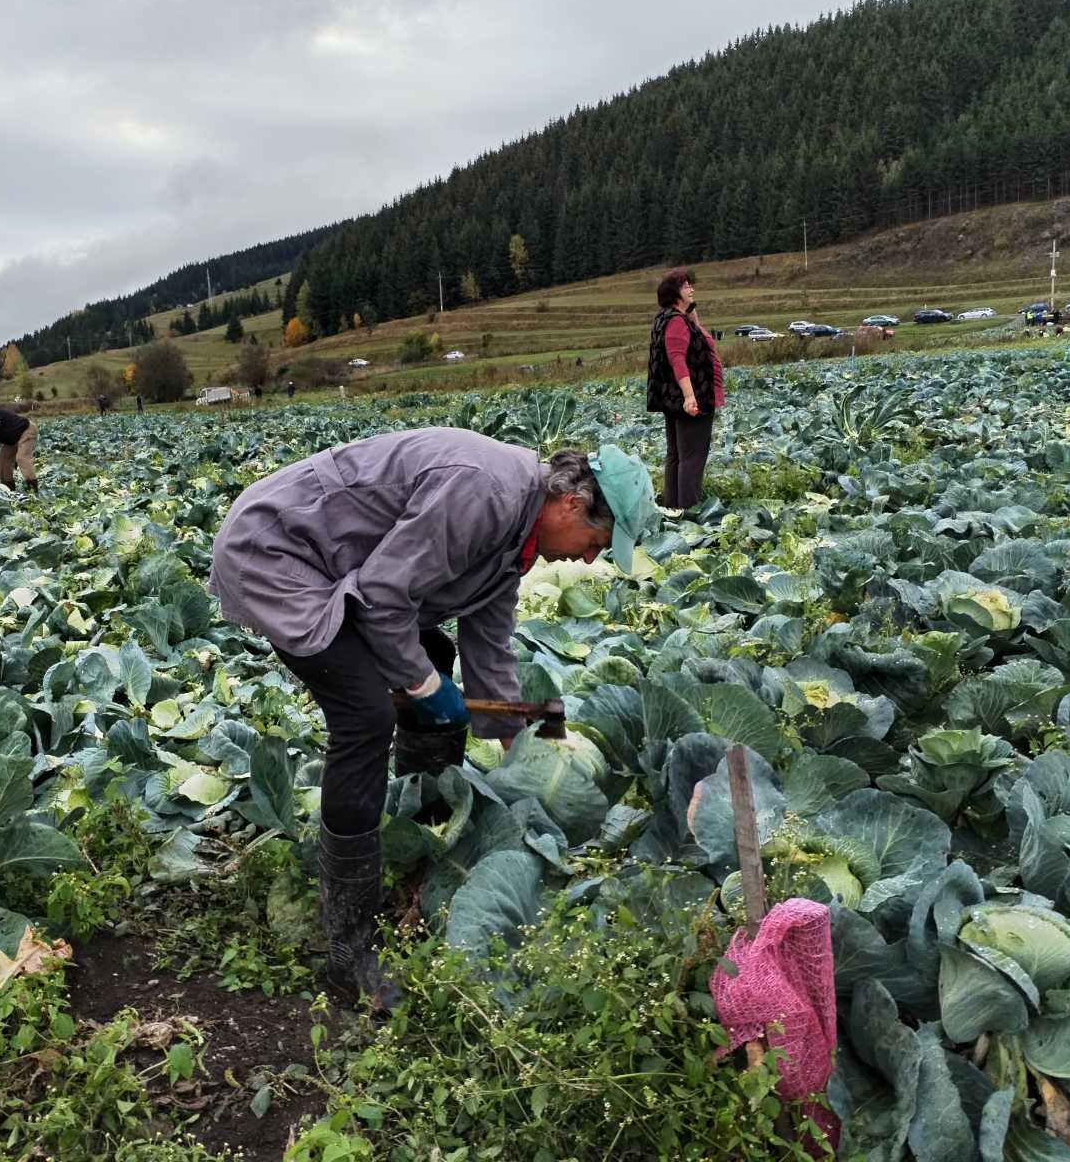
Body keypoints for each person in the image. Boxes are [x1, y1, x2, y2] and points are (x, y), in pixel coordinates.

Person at [209, 428, 652, 1010]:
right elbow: (383, 599)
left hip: (342, 568)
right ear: (572, 503)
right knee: (365, 717)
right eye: (597, 542)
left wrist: (517, 747)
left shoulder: (520, 529)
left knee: (434, 655)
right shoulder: (484, 493)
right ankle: (348, 953)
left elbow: (488, 641)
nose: (591, 558)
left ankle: (422, 828)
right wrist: (424, 687)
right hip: (279, 554)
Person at [646, 268, 723, 510]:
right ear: (675, 293)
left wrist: (695, 320)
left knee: (677, 456)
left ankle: (674, 509)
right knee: (692, 458)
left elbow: (703, 341)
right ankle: (688, 511)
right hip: (692, 397)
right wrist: (690, 397)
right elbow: (677, 358)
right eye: (686, 286)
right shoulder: (676, 322)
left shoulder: (668, 318)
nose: (692, 289)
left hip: (673, 398)